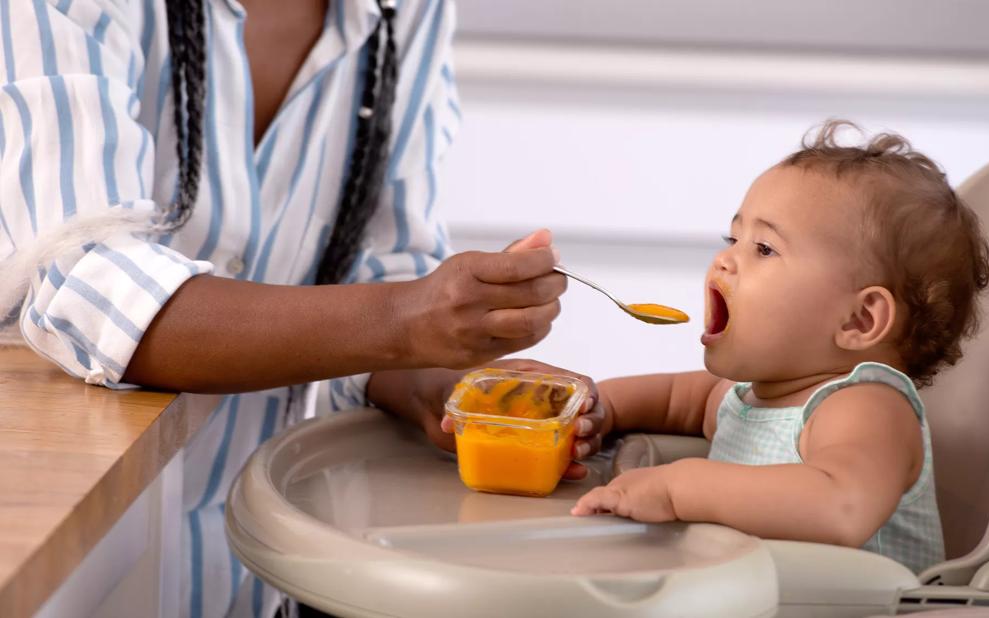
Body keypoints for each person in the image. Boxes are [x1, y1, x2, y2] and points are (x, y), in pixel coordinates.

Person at [0, 1, 603, 616]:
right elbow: (84, 282)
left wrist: (455, 386)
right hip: (67, 562)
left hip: (257, 571)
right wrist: (407, 318)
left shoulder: (406, 13)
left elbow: (383, 267)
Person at [571, 120, 989, 574]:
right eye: (733, 239)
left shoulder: (866, 405)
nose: (724, 260)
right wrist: (597, 406)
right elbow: (680, 401)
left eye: (765, 249)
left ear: (859, 319)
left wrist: (678, 488)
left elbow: (842, 506)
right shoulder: (750, 396)